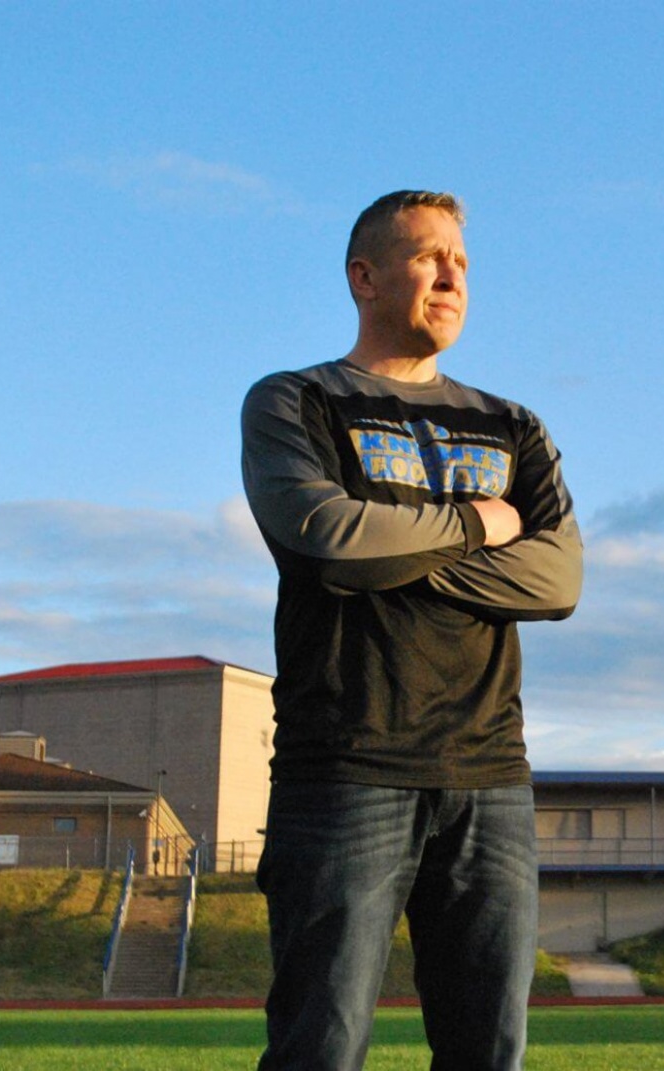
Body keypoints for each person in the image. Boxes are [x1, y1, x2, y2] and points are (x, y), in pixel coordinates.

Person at [240, 190, 582, 1071]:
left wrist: (394, 546)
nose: (452, 274)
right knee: (322, 1046)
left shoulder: (514, 424)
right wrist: (475, 522)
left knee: (488, 1050)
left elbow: (556, 577)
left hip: (489, 775)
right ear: (364, 276)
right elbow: (330, 539)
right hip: (347, 766)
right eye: (429, 256)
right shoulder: (297, 400)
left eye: (462, 261)